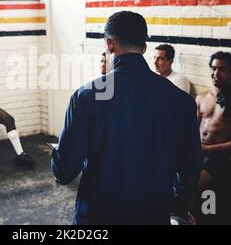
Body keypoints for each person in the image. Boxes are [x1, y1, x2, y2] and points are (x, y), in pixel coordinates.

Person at [51, 11, 202, 224]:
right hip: (152, 214)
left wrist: (58, 151)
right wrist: (179, 207)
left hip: (98, 216)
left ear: (110, 44)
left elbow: (65, 171)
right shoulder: (181, 101)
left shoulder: (86, 97)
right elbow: (191, 167)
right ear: (144, 47)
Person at [196, 51, 231, 191]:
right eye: (214, 68)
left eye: (222, 69)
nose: (216, 73)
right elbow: (190, 129)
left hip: (218, 157)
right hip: (197, 151)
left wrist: (209, 149)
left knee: (194, 184)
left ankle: (187, 211)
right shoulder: (202, 97)